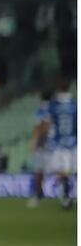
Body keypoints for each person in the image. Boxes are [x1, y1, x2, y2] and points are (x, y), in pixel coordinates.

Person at [46, 78, 77, 209]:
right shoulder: (75, 105)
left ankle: (66, 198)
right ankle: (68, 196)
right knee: (70, 172)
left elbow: (49, 125)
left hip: (60, 144)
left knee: (61, 172)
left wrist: (49, 142)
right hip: (74, 142)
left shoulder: (54, 106)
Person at [28, 89, 53, 208]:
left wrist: (34, 142)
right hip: (58, 144)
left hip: (43, 145)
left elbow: (39, 127)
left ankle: (37, 196)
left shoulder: (40, 110)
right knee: (63, 169)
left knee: (39, 171)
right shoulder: (55, 109)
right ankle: (67, 195)